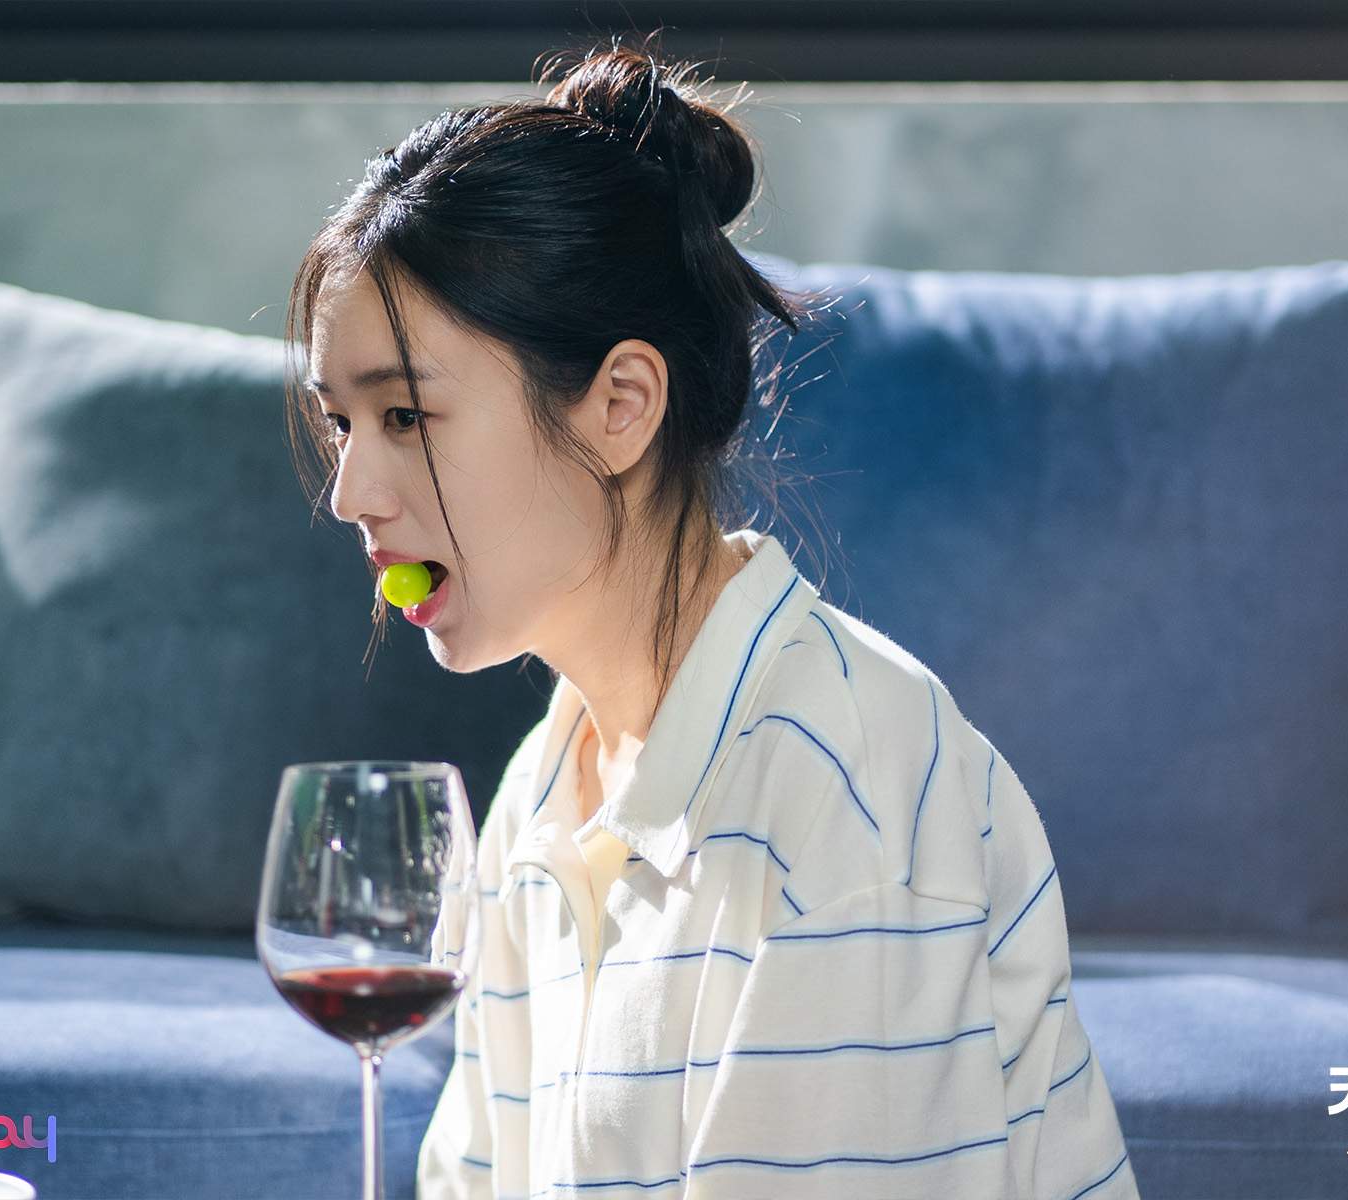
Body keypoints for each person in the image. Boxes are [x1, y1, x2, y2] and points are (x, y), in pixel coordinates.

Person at [285, 31, 1139, 1200]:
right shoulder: (544, 793)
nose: (349, 493)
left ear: (621, 406)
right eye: (341, 423)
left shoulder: (843, 793)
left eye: (405, 418)